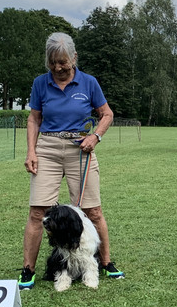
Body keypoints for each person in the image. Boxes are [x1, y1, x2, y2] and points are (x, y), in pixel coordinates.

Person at [19, 32, 124, 289]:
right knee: (37, 212)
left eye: (63, 62)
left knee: (93, 211)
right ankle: (28, 270)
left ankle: (105, 262)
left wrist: (96, 136)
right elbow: (34, 119)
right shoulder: (40, 83)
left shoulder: (89, 83)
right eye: (53, 62)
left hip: (81, 150)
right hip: (48, 148)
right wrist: (31, 151)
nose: (58, 68)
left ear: (74, 58)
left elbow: (107, 114)